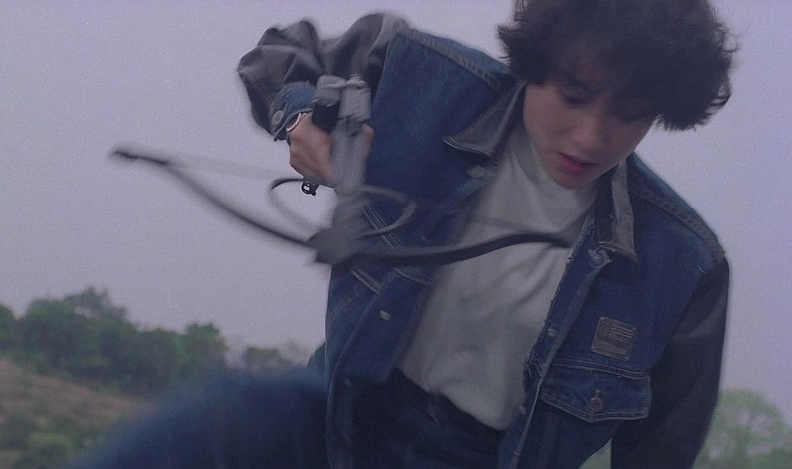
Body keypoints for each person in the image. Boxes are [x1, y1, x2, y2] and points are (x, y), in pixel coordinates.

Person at [69, 1, 735, 467]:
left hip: (483, 457)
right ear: (536, 61)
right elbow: (282, 55)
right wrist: (301, 118)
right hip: (338, 415)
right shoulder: (426, 77)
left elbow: (661, 453)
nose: (590, 136)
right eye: (573, 95)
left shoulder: (683, 264)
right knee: (225, 418)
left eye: (629, 114)